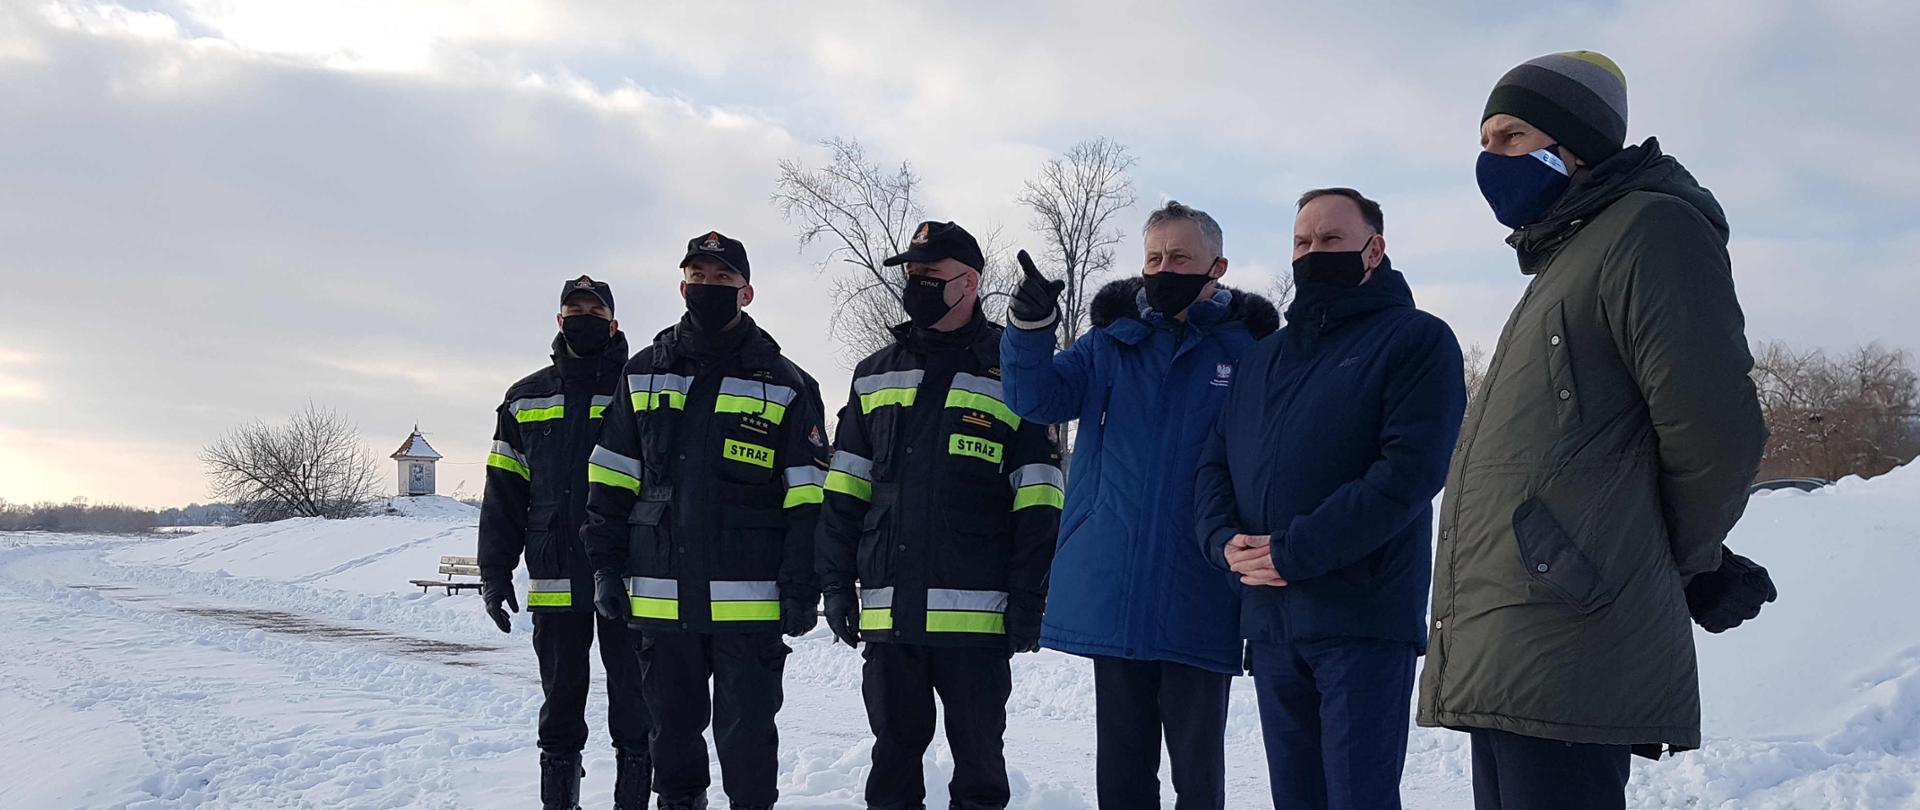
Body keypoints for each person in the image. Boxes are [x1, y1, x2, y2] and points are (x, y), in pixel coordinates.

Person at [1417, 51, 1772, 810]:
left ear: (1574, 143)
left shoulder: (1652, 229)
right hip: (1522, 633)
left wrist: (1680, 558)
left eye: (1510, 137)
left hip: (1570, 631)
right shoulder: (1567, 257)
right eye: (1484, 142)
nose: (1491, 160)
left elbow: (1714, 427)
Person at [1001, 201, 1278, 808]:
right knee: (1122, 772)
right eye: (1154, 257)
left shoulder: (1252, 351)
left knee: (1198, 775)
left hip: (1204, 583)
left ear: (1218, 266)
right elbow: (1035, 397)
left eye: (1179, 257)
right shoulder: (1109, 343)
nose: (1163, 268)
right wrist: (1029, 326)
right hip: (1117, 580)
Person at [1194, 189, 1465, 810]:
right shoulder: (1263, 360)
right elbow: (1214, 463)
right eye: (1302, 242)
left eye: (1331, 240)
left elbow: (1409, 473)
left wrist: (1297, 550)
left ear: (1375, 250)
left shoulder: (1416, 341)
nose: (1313, 252)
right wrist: (1221, 542)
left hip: (1360, 619)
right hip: (1270, 622)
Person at [816, 220, 1064, 810]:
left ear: (969, 283)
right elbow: (846, 487)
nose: (917, 285)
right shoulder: (874, 372)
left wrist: (1029, 596)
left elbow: (1040, 496)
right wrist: (834, 583)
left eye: (931, 276)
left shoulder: (1012, 372)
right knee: (893, 762)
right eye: (913, 275)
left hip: (979, 618)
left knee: (979, 768)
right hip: (889, 608)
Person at [580, 232, 829, 810]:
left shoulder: (787, 383)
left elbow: (809, 499)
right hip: (662, 602)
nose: (708, 287)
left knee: (747, 747)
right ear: (682, 285)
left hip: (752, 606)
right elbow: (612, 481)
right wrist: (605, 570)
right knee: (671, 746)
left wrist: (802, 585)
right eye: (699, 276)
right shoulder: (642, 373)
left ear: (746, 293)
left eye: (722, 279)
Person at [478, 275, 650, 810]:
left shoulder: (640, 388)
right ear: (559, 319)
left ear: (614, 323)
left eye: (594, 310)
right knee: (560, 705)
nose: (584, 317)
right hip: (554, 572)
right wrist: (494, 571)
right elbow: (504, 494)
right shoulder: (525, 397)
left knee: (637, 702)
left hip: (629, 573)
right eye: (574, 309)